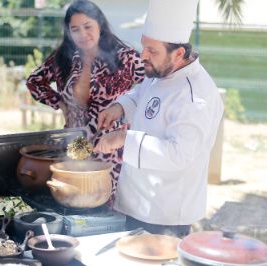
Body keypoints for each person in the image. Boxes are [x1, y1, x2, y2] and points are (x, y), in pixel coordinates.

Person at [94, 0, 224, 237]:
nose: (143, 55)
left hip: (165, 217)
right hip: (135, 203)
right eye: (144, 46)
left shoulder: (196, 98)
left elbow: (177, 155)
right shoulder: (161, 69)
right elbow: (143, 94)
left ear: (179, 53)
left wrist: (124, 138)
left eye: (152, 51)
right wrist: (120, 108)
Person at [26, 0, 144, 197]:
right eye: (75, 29)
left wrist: (126, 113)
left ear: (100, 25)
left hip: (112, 151)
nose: (82, 34)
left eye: (87, 26)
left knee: (108, 207)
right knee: (70, 201)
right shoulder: (63, 57)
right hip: (71, 148)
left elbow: (151, 87)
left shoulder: (125, 57)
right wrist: (60, 103)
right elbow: (34, 81)